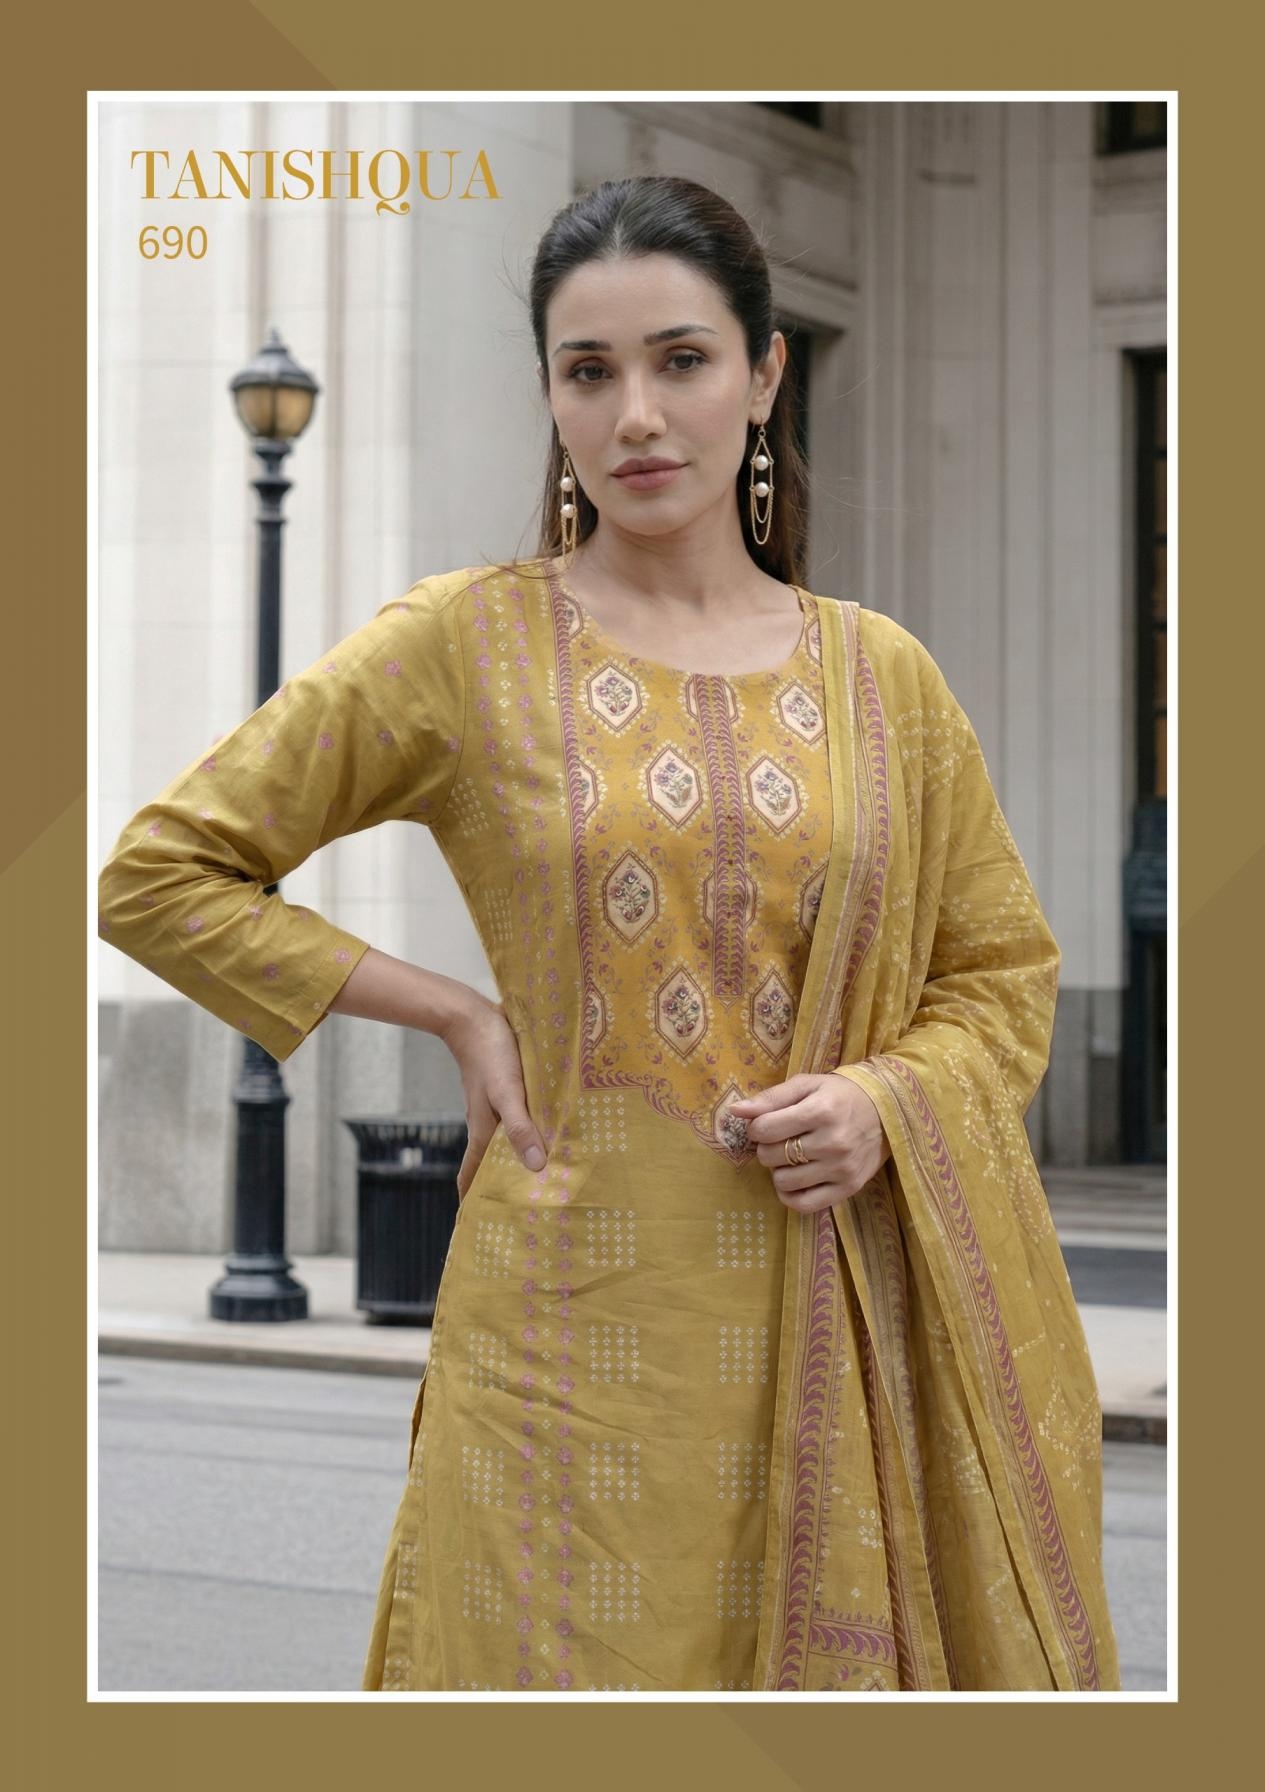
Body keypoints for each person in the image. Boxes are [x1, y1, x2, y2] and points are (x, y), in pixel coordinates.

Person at [97, 174, 1121, 1693]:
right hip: (563, 1347)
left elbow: (999, 971)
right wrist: (455, 1011)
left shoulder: (883, 679)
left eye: (680, 360)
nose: (635, 414)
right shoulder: (464, 644)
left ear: (764, 376)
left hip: (834, 1318)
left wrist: (881, 1102)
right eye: (589, 371)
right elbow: (160, 874)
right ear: (551, 398)